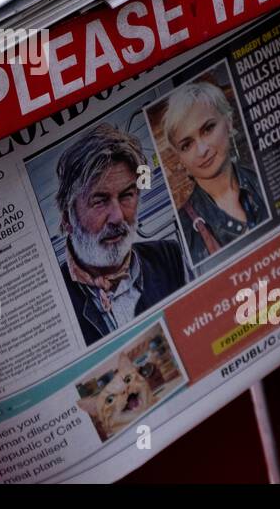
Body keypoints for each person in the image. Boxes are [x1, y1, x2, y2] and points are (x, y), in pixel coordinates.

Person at [54, 124, 189, 346]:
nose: (117, 217)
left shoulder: (170, 257)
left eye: (127, 195)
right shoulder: (56, 301)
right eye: (99, 201)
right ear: (68, 219)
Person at [161, 81, 268, 267]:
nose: (202, 150)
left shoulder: (267, 178)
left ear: (228, 122)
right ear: (180, 158)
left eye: (208, 129)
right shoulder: (185, 228)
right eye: (187, 145)